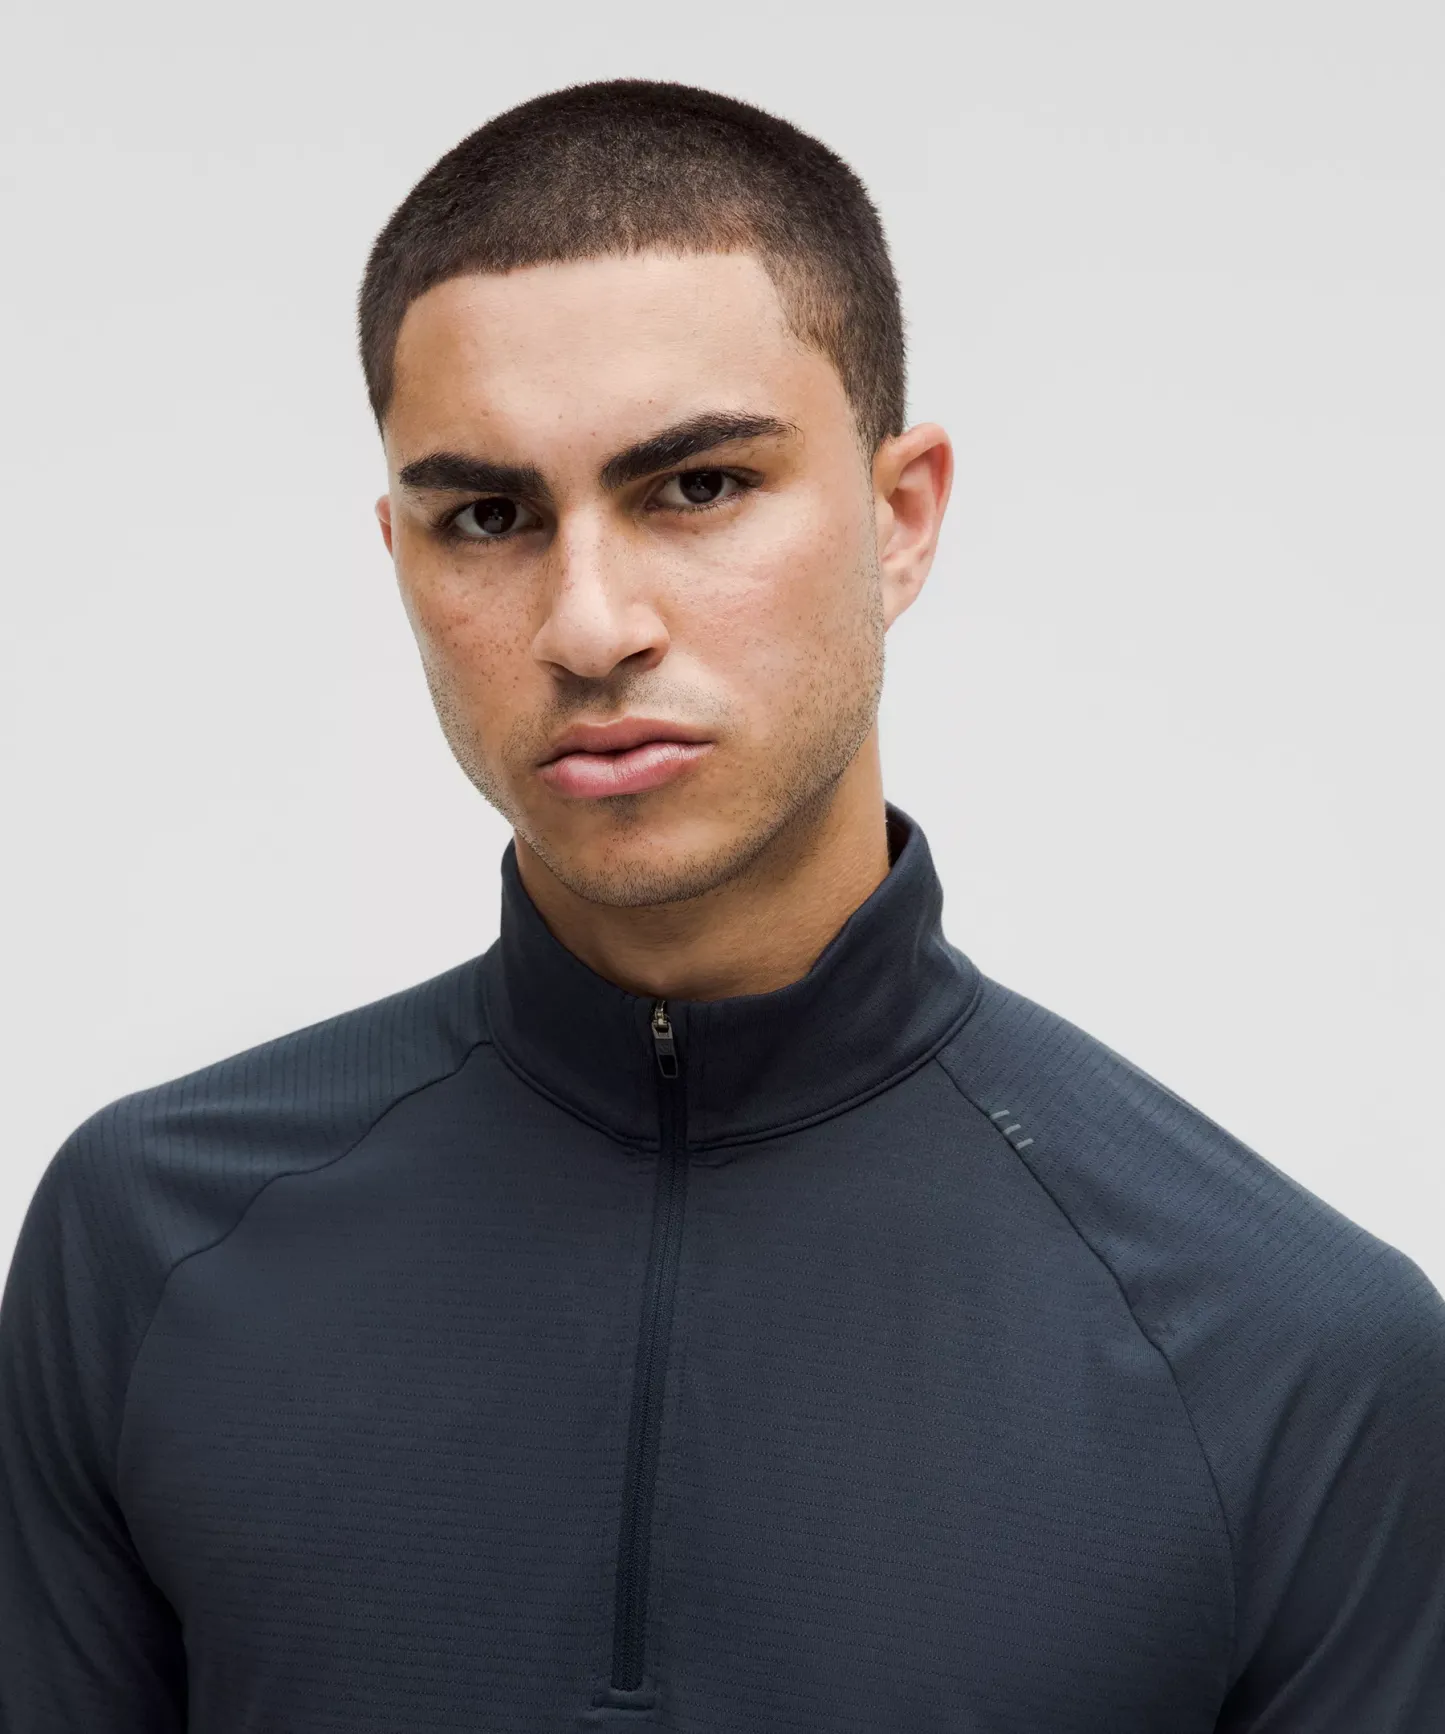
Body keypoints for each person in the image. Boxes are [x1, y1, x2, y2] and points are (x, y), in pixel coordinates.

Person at [1, 78, 1441, 1734]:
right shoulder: (148, 1239)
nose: (589, 624)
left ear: (900, 519)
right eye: (488, 516)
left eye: (694, 487)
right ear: (398, 555)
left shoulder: (1293, 1355)